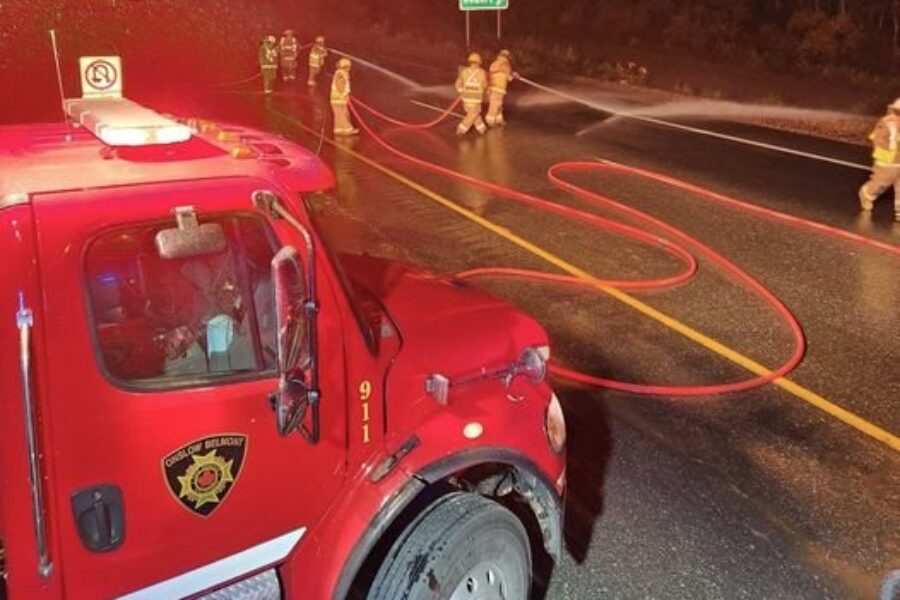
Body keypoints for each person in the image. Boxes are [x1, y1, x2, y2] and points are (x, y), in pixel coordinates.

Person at [859, 98, 900, 222]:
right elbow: (878, 139)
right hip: (887, 161)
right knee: (881, 182)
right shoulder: (886, 123)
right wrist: (887, 150)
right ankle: (867, 193)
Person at [455, 52, 488, 136]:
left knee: (473, 113)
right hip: (476, 99)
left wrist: (461, 90)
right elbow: (484, 85)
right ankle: (461, 129)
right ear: (479, 62)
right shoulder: (482, 72)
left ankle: (482, 128)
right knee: (473, 114)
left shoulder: (464, 71)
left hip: (465, 98)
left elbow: (458, 84)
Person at [486, 49, 516, 128]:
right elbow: (509, 78)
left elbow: (494, 73)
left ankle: (499, 120)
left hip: (491, 87)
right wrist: (514, 75)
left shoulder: (494, 63)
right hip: (499, 88)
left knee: (498, 104)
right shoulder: (506, 64)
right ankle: (490, 121)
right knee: (495, 105)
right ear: (507, 57)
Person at [331, 57, 359, 136]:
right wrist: (343, 95)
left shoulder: (340, 72)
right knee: (343, 113)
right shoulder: (341, 73)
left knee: (338, 114)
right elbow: (340, 84)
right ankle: (347, 129)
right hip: (339, 98)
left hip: (336, 98)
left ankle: (338, 129)